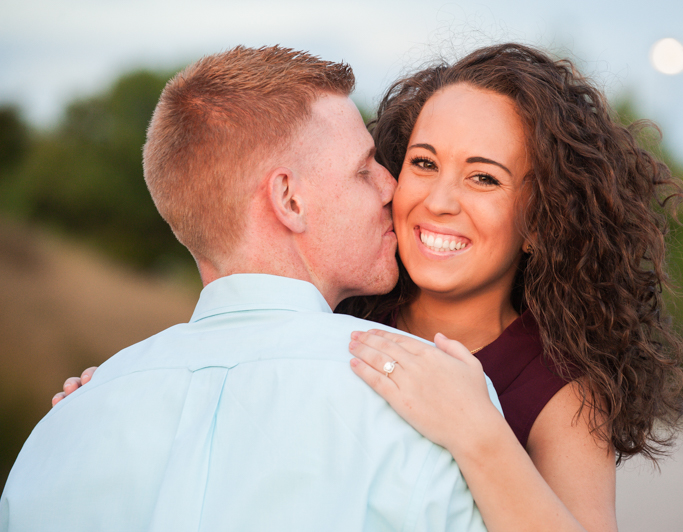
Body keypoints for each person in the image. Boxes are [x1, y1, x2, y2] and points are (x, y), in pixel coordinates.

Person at [55, 43, 683, 532]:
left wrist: (478, 432)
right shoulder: (339, 311)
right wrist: (124, 410)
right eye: (422, 163)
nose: (439, 200)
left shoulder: (561, 392)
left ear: (540, 223)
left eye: (485, 179)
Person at [1, 46, 494, 532]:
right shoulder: (430, 402)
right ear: (289, 200)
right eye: (364, 169)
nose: (392, 187)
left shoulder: (59, 431)